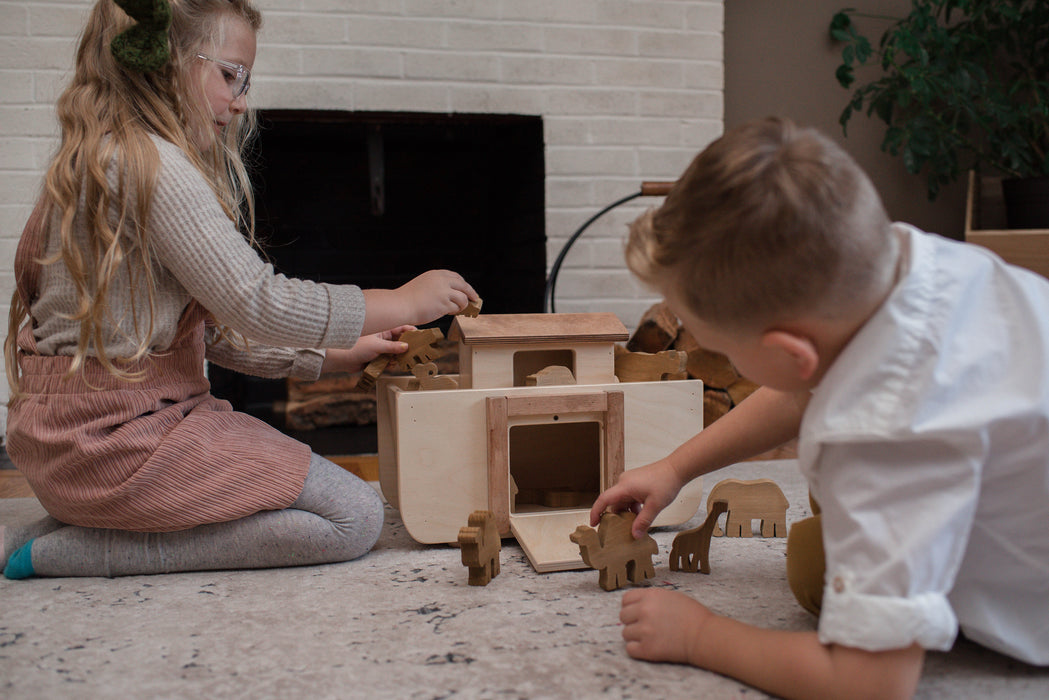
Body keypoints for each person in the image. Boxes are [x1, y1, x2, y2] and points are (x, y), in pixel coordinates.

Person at [0, 0, 478, 580]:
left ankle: (60, 527)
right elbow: (257, 301)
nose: (241, 98)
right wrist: (401, 299)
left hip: (68, 449)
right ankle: (60, 553)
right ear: (168, 61)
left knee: (319, 497)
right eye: (230, 74)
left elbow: (210, 330)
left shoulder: (96, 158)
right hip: (122, 446)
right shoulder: (153, 165)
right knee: (354, 516)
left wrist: (331, 356)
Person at [589, 116, 1049, 698]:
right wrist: (676, 467)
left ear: (788, 352)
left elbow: (870, 684)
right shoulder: (906, 263)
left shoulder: (885, 435)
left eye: (719, 347)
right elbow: (805, 389)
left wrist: (701, 636)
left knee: (812, 566)